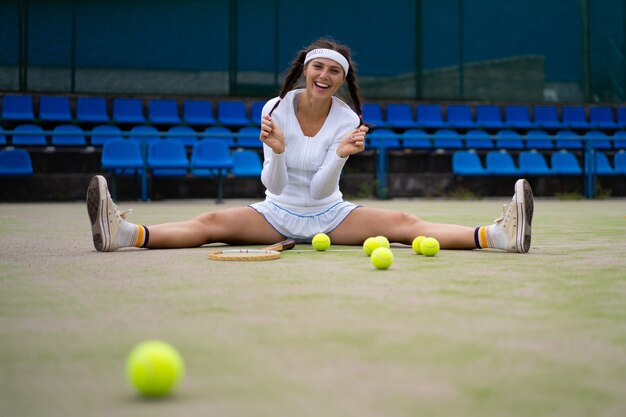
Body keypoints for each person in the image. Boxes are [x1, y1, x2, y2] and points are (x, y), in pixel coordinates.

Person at [86, 38, 533, 253]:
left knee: (404, 222)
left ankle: (499, 236)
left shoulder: (346, 119)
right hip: (274, 212)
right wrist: (278, 150)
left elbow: (321, 192)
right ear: (305, 70)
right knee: (209, 222)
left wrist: (339, 157)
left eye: (333, 72)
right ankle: (122, 234)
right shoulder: (275, 108)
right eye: (317, 67)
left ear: (342, 80)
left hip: (331, 214)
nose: (324, 76)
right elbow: (271, 184)